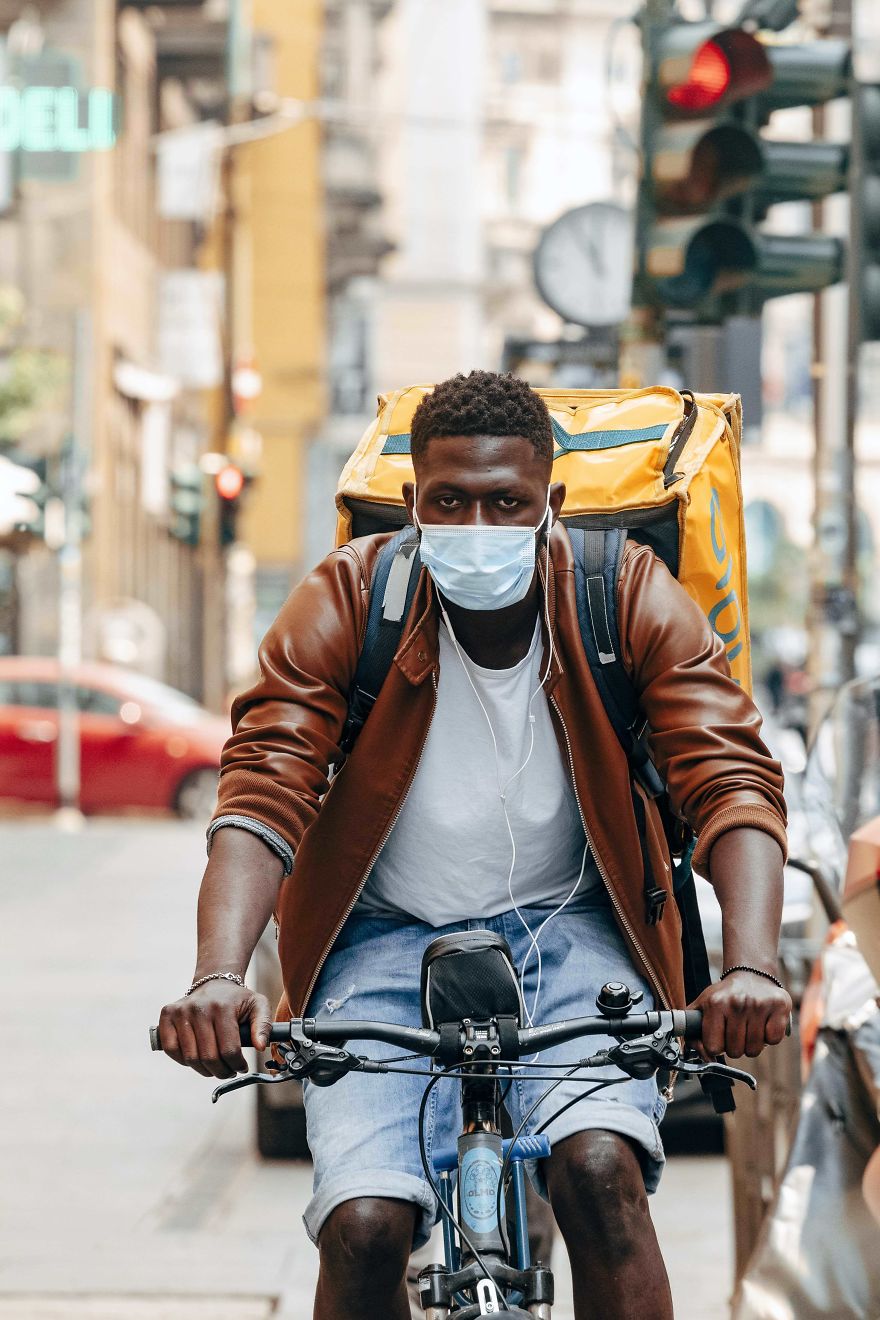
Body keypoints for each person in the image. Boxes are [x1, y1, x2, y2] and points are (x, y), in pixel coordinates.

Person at [158, 371, 791, 1320]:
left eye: (508, 502)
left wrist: (751, 964)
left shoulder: (621, 597)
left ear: (554, 503)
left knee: (600, 1177)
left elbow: (729, 777)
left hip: (573, 933)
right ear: (413, 502)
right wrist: (217, 975)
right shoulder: (350, 597)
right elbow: (263, 788)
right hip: (379, 938)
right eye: (450, 501)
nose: (479, 525)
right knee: (365, 1228)